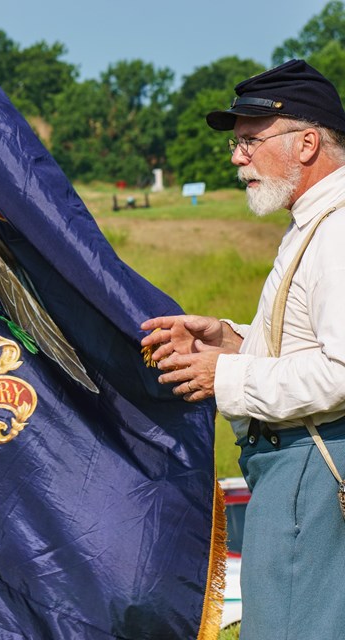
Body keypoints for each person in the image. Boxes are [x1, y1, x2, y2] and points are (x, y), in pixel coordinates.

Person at [141, 59, 345, 639]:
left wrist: (224, 376)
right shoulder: (314, 220)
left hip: (314, 466)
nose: (237, 158)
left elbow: (341, 368)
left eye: (251, 141)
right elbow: (307, 341)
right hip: (301, 464)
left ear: (307, 143)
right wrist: (232, 338)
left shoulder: (337, 229)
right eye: (237, 143)